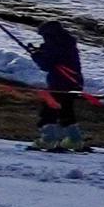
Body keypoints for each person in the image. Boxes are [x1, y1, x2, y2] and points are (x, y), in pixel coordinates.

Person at [34, 20, 88, 151]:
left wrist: (36, 56)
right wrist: (41, 52)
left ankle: (48, 139)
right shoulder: (67, 42)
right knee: (66, 110)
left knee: (48, 111)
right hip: (74, 82)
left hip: (59, 83)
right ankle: (74, 140)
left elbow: (47, 65)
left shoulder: (54, 44)